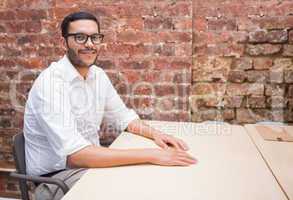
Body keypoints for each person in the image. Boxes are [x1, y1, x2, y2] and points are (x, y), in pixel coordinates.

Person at [23, 11, 197, 199]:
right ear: (63, 43)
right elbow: (75, 156)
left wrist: (157, 135)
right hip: (55, 179)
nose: (89, 44)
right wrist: (151, 154)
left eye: (95, 37)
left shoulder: (97, 75)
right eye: (80, 37)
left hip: (89, 167)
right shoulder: (50, 84)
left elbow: (124, 118)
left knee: (150, 180)